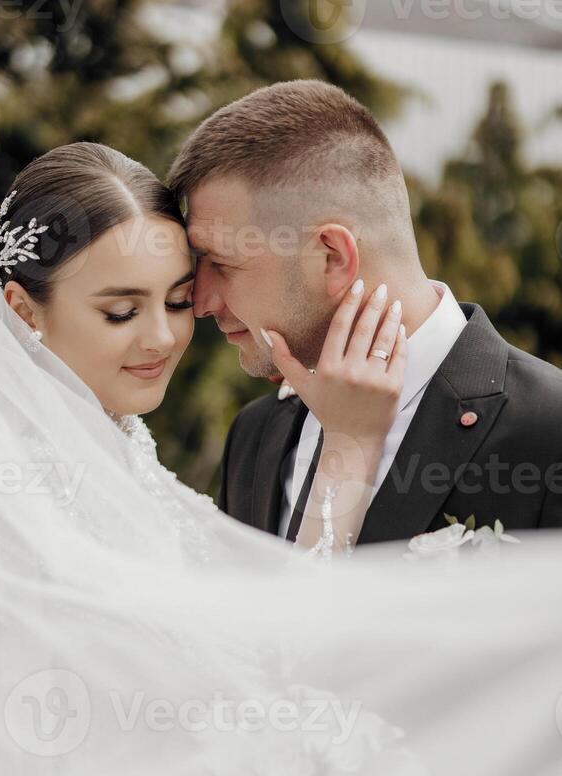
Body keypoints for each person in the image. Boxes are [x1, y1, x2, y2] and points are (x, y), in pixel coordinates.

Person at [0, 140, 561, 776]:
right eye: (119, 310)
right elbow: (268, 697)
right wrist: (352, 456)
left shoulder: (123, 462)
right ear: (23, 309)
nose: (166, 336)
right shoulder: (17, 505)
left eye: (180, 298)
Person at [167, 79, 562, 545]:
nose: (202, 300)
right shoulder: (256, 434)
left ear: (332, 256)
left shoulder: (550, 430)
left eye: (221, 263)